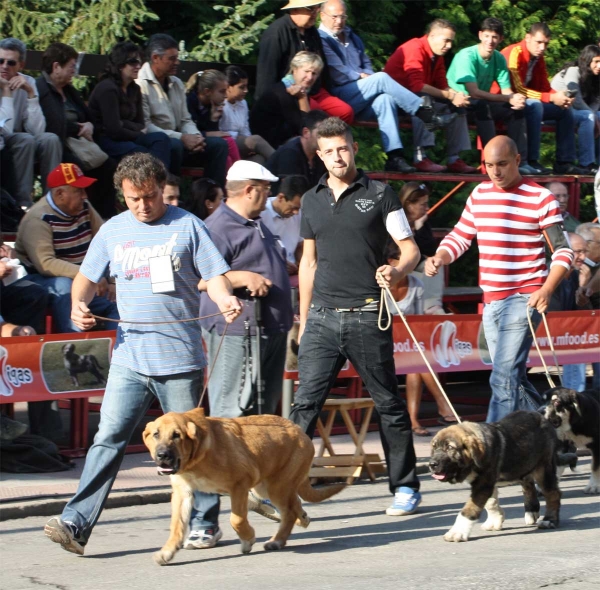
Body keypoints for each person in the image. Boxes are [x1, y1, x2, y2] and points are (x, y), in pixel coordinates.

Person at [44, 152, 242, 556]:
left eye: (149, 197)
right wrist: (77, 306)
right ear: (123, 195)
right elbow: (85, 278)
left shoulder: (187, 225)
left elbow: (215, 277)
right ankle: (75, 524)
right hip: (130, 359)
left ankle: (205, 523)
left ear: (160, 189)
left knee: (194, 444)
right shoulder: (114, 231)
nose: (142, 206)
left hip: (181, 360)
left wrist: (225, 299)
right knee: (108, 438)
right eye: (133, 199)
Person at [289, 116, 422, 517]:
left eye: (342, 148)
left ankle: (404, 487)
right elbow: (307, 264)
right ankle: (283, 484)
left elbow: (410, 250)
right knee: (303, 408)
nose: (336, 157)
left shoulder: (381, 195)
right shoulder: (310, 199)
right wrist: (304, 319)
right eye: (327, 151)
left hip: (368, 314)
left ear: (354, 148)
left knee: (389, 404)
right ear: (318, 154)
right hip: (322, 317)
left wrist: (396, 270)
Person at [425, 136, 574, 423]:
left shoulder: (540, 198)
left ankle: (495, 448)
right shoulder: (479, 195)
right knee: (512, 379)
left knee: (502, 377)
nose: (495, 172)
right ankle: (552, 432)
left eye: (502, 164)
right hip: (492, 300)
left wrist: (547, 288)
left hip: (525, 297)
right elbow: (460, 236)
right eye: (489, 165)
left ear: (517, 160)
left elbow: (563, 252)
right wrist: (440, 257)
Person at [190, 160, 293, 549]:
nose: (268, 198)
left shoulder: (256, 223)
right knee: (226, 424)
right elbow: (198, 277)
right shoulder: (217, 227)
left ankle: (252, 499)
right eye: (265, 191)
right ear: (250, 189)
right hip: (236, 334)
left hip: (267, 330)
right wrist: (239, 278)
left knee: (256, 425)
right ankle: (204, 520)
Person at [318, 0, 456, 173]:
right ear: (322, 16)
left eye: (343, 16)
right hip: (341, 93)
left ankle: (394, 156)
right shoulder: (321, 39)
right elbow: (337, 71)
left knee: (385, 99)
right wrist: (362, 76)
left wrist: (367, 74)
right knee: (381, 78)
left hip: (362, 91)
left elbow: (365, 62)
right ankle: (426, 114)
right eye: (334, 17)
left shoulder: (351, 36)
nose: (339, 21)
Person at [13, 163, 119, 333]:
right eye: (79, 191)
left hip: (83, 277)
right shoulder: (38, 218)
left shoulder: (84, 207)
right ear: (60, 194)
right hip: (40, 281)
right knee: (64, 285)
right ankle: (72, 340)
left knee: (118, 301)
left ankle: (117, 348)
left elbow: (107, 240)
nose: (85, 196)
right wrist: (88, 277)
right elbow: (46, 264)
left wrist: (113, 279)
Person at [383, 240, 458, 436]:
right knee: (417, 361)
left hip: (407, 345)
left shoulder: (416, 283)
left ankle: (414, 420)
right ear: (391, 262)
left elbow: (417, 322)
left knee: (416, 364)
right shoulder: (379, 285)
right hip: (383, 341)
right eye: (405, 260)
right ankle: (442, 405)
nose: (411, 266)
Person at [36, 42, 118, 219]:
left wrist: (89, 126)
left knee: (108, 165)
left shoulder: (69, 90)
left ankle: (105, 217)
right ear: (56, 66)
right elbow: (53, 125)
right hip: (58, 145)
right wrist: (79, 128)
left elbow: (89, 116)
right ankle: (82, 217)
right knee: (77, 168)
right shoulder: (41, 89)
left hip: (80, 143)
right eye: (71, 66)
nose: (74, 70)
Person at [384, 20, 478, 174]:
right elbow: (417, 86)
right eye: (446, 41)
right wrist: (450, 95)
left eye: (451, 42)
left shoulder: (437, 55)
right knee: (423, 100)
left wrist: (456, 95)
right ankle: (420, 157)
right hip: (397, 103)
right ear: (432, 36)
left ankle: (454, 159)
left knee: (456, 106)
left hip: (417, 98)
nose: (449, 46)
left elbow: (442, 84)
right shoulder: (414, 48)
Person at [136, 34, 228, 187]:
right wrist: (182, 137)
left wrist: (196, 137)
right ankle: (173, 197)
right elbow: (146, 126)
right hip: (159, 146)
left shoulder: (177, 83)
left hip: (183, 140)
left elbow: (186, 119)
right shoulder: (140, 84)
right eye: (172, 59)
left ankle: (211, 196)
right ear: (155, 58)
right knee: (174, 145)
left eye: (177, 58)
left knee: (219, 145)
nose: (177, 63)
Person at [498, 22, 585, 176]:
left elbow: (544, 87)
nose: (542, 48)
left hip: (525, 102)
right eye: (539, 42)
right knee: (536, 105)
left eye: (546, 43)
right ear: (528, 38)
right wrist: (551, 97)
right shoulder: (514, 52)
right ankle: (531, 160)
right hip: (505, 102)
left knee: (564, 110)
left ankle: (564, 162)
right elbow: (518, 89)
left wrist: (561, 97)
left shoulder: (538, 58)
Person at [446, 18, 529, 173]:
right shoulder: (467, 56)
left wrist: (516, 100)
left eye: (495, 37)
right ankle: (493, 160)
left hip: (479, 104)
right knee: (482, 106)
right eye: (487, 36)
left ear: (501, 39)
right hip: (458, 104)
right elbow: (474, 92)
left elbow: (506, 91)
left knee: (516, 109)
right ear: (480, 35)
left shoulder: (498, 58)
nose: (490, 41)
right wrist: (507, 98)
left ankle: (520, 162)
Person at [255, 0, 353, 123]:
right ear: (295, 10)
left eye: (316, 9)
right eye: (310, 9)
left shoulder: (312, 32)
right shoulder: (277, 33)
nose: (314, 14)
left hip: (316, 91)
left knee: (345, 112)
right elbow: (267, 74)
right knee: (315, 119)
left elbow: (324, 69)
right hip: (291, 92)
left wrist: (328, 91)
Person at [88, 41, 171, 170]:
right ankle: (150, 182)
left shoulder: (135, 89)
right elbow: (113, 130)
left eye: (140, 62)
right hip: (105, 140)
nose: (138, 66)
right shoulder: (108, 89)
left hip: (127, 137)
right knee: (140, 152)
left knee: (161, 139)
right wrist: (136, 132)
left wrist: (124, 124)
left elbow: (141, 124)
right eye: (133, 62)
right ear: (120, 65)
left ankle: (159, 180)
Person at [0, 37, 61, 208]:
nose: (4, 66)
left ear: (21, 65)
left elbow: (38, 129)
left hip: (21, 137)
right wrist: (5, 90)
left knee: (50, 139)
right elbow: (5, 129)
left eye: (11, 62)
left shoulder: (28, 82)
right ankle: (22, 203)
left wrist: (30, 94)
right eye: (0, 61)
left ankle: (53, 201)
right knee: (25, 140)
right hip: (6, 139)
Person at [250, 51, 324, 149]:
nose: (310, 77)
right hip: (269, 145)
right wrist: (302, 98)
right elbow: (303, 128)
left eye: (314, 73)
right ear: (295, 69)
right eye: (306, 71)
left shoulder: (300, 90)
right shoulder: (281, 92)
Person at [547, 232, 590, 392]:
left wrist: (582, 290)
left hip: (567, 333)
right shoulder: (550, 274)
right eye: (578, 251)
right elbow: (555, 316)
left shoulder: (576, 276)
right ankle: (574, 396)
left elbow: (585, 317)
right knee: (576, 348)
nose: (583, 257)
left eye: (585, 251)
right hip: (545, 333)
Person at [398, 181, 447, 315]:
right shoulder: (396, 221)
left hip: (415, 264)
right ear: (409, 204)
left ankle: (432, 306)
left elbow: (430, 250)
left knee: (436, 262)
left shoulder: (422, 222)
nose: (427, 208)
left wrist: (419, 228)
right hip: (398, 265)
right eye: (423, 204)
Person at [551, 45, 600, 175]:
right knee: (588, 117)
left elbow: (596, 101)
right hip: (558, 110)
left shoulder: (596, 78)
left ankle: (597, 161)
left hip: (576, 111)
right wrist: (593, 115)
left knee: (595, 115)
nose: (599, 66)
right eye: (596, 62)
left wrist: (594, 115)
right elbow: (576, 100)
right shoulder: (573, 71)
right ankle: (587, 163)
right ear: (587, 60)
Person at [185, 69, 241, 170]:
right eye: (222, 91)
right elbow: (188, 130)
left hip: (204, 145)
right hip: (190, 147)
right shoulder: (189, 102)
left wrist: (213, 118)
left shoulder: (210, 104)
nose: (225, 96)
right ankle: (241, 178)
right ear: (207, 91)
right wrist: (208, 134)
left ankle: (235, 182)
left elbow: (211, 131)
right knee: (228, 141)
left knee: (227, 159)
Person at [220, 65, 275, 165]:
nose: (246, 90)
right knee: (256, 140)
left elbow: (245, 129)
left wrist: (250, 147)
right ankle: (282, 163)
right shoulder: (220, 104)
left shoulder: (243, 103)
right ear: (228, 87)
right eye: (241, 87)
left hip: (241, 143)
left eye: (246, 86)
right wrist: (247, 140)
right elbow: (219, 130)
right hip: (226, 143)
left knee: (259, 159)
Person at [265, 109, 328, 188]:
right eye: (322, 133)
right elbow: (291, 193)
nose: (326, 137)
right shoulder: (290, 153)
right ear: (306, 132)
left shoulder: (319, 155)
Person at [261, 174, 310, 275]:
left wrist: (302, 264)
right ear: (281, 197)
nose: (296, 212)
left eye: (299, 209)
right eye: (293, 207)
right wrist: (278, 263)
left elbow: (300, 245)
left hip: (293, 271)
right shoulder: (261, 214)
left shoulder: (300, 214)